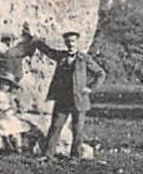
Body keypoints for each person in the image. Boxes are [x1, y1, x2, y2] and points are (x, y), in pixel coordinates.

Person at [24, 26, 106, 159]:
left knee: (77, 130)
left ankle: (75, 157)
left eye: (73, 41)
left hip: (79, 99)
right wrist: (34, 39)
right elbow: (48, 51)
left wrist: (90, 87)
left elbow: (100, 73)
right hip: (63, 99)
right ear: (65, 43)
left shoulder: (84, 59)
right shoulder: (61, 56)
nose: (70, 44)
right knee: (55, 126)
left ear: (77, 42)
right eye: (67, 42)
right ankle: (48, 155)